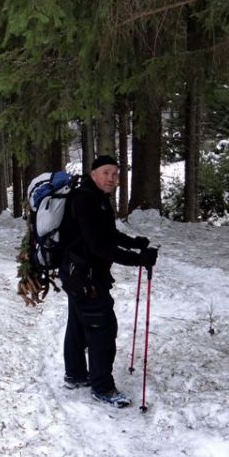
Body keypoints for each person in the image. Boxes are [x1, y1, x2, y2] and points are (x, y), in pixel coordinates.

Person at [57, 154, 159, 407]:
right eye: (106, 172)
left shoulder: (96, 199)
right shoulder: (84, 200)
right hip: (84, 276)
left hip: (77, 274)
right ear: (93, 174)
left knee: (79, 323)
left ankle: (76, 374)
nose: (112, 178)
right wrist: (138, 260)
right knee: (102, 328)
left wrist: (134, 244)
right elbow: (98, 244)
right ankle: (102, 387)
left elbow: (108, 233)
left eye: (115, 173)